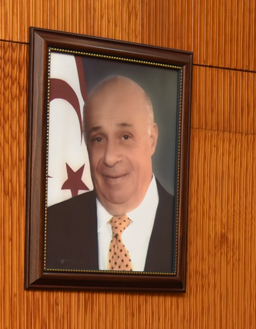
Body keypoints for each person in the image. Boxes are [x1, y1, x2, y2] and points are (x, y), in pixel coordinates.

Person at [43, 76, 176, 273]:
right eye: (98, 139)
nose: (110, 157)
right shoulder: (48, 229)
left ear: (152, 139)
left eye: (125, 136)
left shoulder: (192, 227)